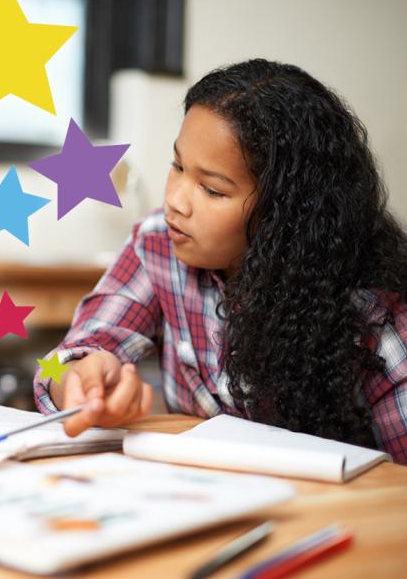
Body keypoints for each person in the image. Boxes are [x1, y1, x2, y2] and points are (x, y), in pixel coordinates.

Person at [34, 59, 407, 464]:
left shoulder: (373, 314)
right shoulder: (158, 243)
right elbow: (59, 360)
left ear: (284, 213)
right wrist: (79, 378)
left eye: (212, 190)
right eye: (177, 166)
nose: (175, 200)